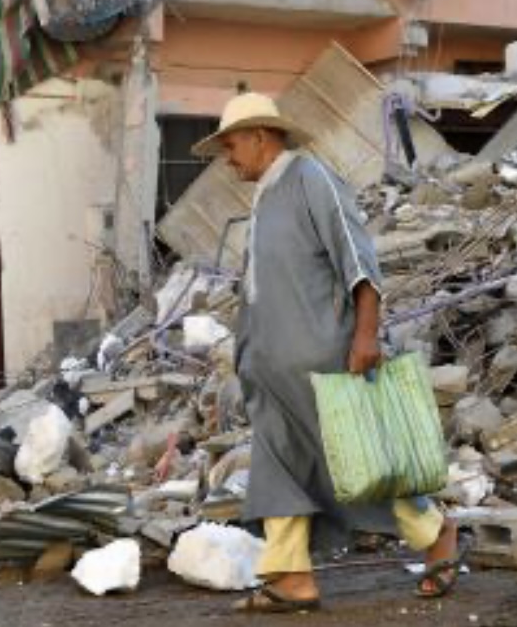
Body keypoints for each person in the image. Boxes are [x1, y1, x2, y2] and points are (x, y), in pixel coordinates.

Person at [191, 92, 466, 613]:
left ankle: (435, 533)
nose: (227, 158)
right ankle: (292, 578)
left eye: (231, 145)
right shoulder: (265, 197)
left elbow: (358, 260)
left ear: (259, 136)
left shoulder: (311, 178)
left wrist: (366, 336)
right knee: (278, 465)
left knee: (359, 460)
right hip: (271, 370)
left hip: (324, 362)